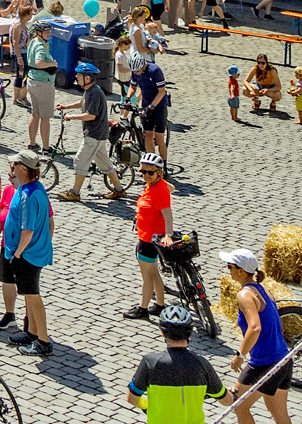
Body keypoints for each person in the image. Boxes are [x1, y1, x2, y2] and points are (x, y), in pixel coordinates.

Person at [221, 248, 292, 424]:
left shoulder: (244, 295)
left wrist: (239, 355)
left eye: (230, 266)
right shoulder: (264, 290)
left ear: (241, 270)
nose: (228, 270)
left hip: (265, 364)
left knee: (237, 405)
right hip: (283, 359)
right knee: (279, 414)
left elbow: (254, 328)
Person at [0, 156, 54, 355]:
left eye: (15, 165)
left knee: (33, 296)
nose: (12, 168)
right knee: (29, 296)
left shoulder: (28, 195)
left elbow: (27, 230)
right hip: (33, 251)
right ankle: (31, 332)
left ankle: (43, 342)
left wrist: (18, 254)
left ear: (24, 168)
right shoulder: (36, 188)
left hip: (28, 254)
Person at [128, 305, 224, 422]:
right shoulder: (202, 364)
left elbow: (132, 398)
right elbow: (226, 400)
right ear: (189, 334)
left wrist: (147, 406)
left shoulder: (150, 362)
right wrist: (232, 393)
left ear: (163, 333)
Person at [61, 63, 120, 201]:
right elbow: (83, 102)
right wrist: (66, 106)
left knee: (80, 161)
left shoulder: (94, 93)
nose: (76, 77)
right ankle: (119, 189)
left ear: (87, 78)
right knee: (105, 164)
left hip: (94, 135)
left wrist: (72, 117)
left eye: (79, 75)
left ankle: (75, 193)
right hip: (100, 134)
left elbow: (91, 115)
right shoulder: (91, 90)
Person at [125, 155, 171, 321]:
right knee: (154, 273)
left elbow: (168, 215)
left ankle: (143, 308)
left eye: (150, 172)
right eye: (143, 172)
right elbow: (170, 187)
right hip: (148, 237)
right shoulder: (156, 185)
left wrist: (169, 234)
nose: (145, 176)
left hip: (149, 240)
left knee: (147, 277)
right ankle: (160, 305)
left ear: (159, 172)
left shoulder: (158, 190)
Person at [24, 19, 60, 153]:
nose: (49, 33)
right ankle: (46, 147)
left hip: (32, 81)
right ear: (39, 32)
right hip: (43, 84)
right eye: (46, 31)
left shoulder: (32, 42)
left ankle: (32, 143)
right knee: (45, 117)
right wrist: (52, 64)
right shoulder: (40, 45)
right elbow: (39, 62)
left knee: (35, 114)